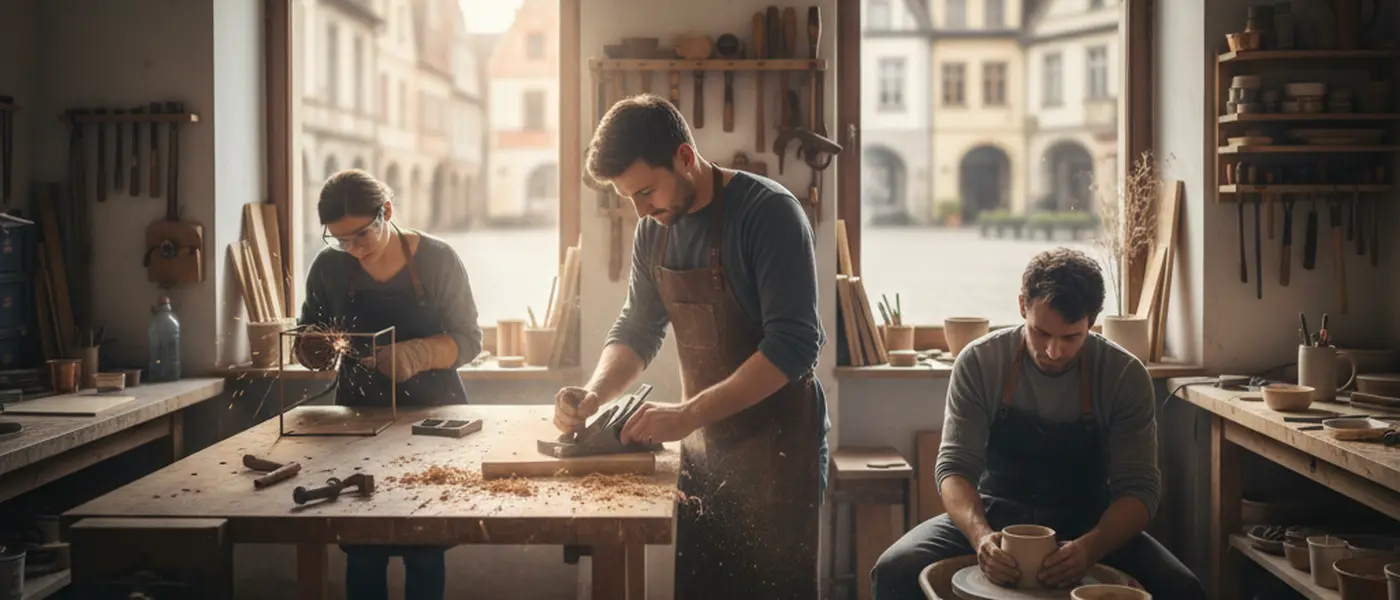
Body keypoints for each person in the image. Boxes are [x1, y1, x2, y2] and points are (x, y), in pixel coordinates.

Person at [552, 94, 829, 599]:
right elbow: (637, 328)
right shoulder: (653, 231)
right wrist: (595, 395)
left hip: (778, 448)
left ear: (684, 157)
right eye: (628, 198)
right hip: (704, 447)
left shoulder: (770, 214)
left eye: (646, 191)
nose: (641, 209)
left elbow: (794, 346)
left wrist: (687, 413)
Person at [871, 248, 1205, 599]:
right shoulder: (981, 362)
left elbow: (1140, 491)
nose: (1053, 352)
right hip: (996, 516)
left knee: (1181, 588)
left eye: (1070, 338)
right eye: (1041, 333)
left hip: (1089, 523)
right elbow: (954, 469)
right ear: (1021, 306)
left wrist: (1090, 548)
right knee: (895, 569)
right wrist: (980, 536)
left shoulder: (1124, 375)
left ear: (1091, 322)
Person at [294, 169, 482, 600]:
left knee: (424, 550)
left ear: (388, 212)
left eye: (361, 235)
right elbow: (308, 330)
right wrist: (311, 347)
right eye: (340, 239)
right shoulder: (329, 266)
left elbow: (470, 340)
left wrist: (417, 355)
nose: (353, 249)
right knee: (362, 550)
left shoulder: (438, 260)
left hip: (433, 424)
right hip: (356, 422)